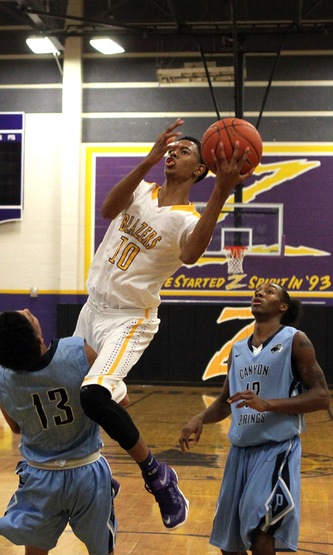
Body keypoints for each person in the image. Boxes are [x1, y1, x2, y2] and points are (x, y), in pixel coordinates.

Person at [75, 118, 256, 530]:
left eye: (184, 151)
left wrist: (222, 192)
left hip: (128, 319)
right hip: (91, 309)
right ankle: (98, 474)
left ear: (199, 170)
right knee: (74, 401)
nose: (173, 154)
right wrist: (148, 159)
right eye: (171, 149)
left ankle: (159, 477)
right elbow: (106, 209)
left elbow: (192, 254)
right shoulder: (140, 190)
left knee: (93, 395)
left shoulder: (189, 220)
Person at [179, 283, 330, 555]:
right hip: (239, 452)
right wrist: (199, 418)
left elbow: (321, 397)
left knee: (262, 531)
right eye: (257, 290)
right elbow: (227, 401)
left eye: (269, 292)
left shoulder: (296, 340)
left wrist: (268, 404)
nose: (259, 293)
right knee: (230, 542)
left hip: (277, 449)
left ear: (283, 307)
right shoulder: (237, 350)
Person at [0, 310, 118, 555]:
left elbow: (16, 427)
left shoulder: (0, 377)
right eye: (27, 316)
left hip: (41, 476)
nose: (28, 311)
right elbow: (120, 401)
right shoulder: (78, 351)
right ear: (39, 342)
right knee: (102, 551)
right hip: (87, 473)